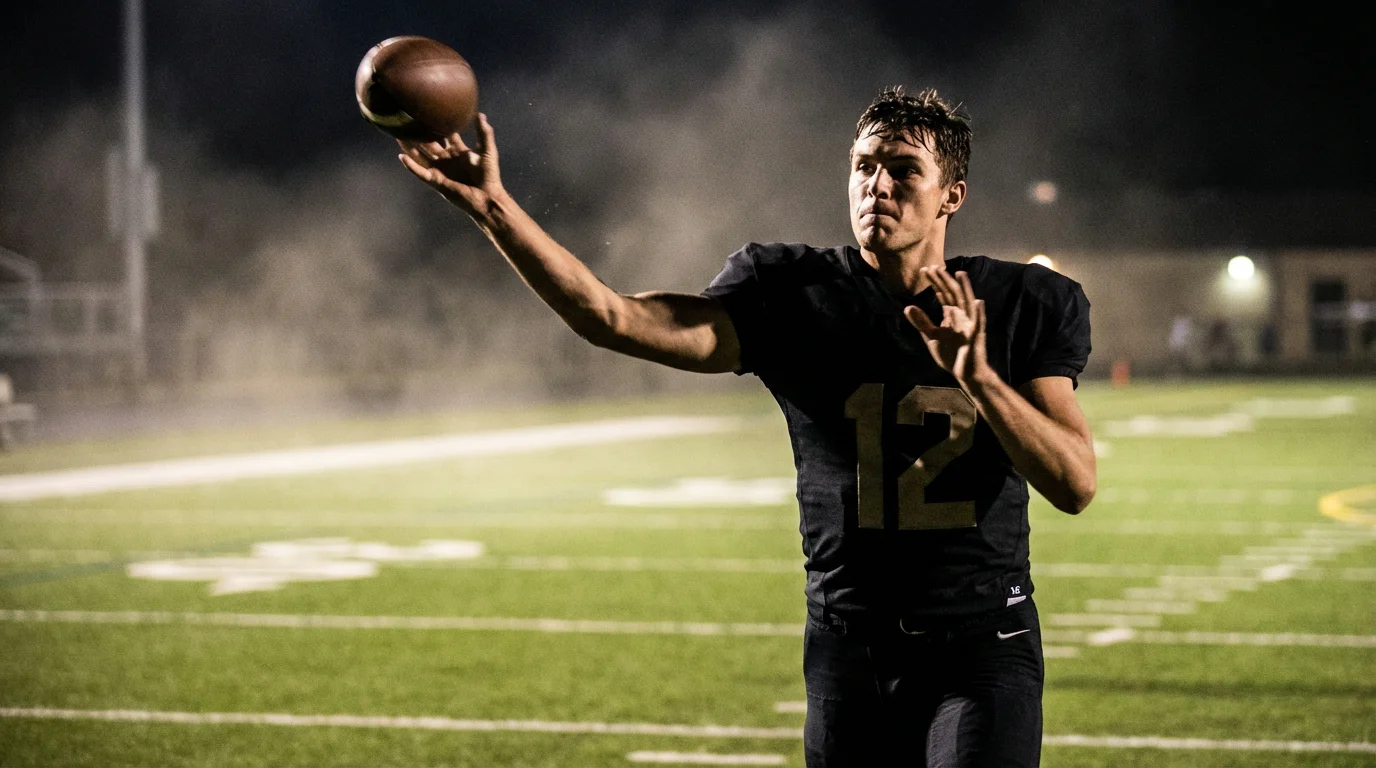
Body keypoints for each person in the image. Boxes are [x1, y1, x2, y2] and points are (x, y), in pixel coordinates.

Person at [396, 86, 1096, 768]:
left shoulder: (1019, 302)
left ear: (953, 195)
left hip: (979, 645)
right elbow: (611, 318)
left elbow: (1074, 483)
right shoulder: (792, 292)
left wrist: (977, 375)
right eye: (864, 166)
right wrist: (495, 208)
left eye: (904, 170)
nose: (877, 186)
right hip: (846, 645)